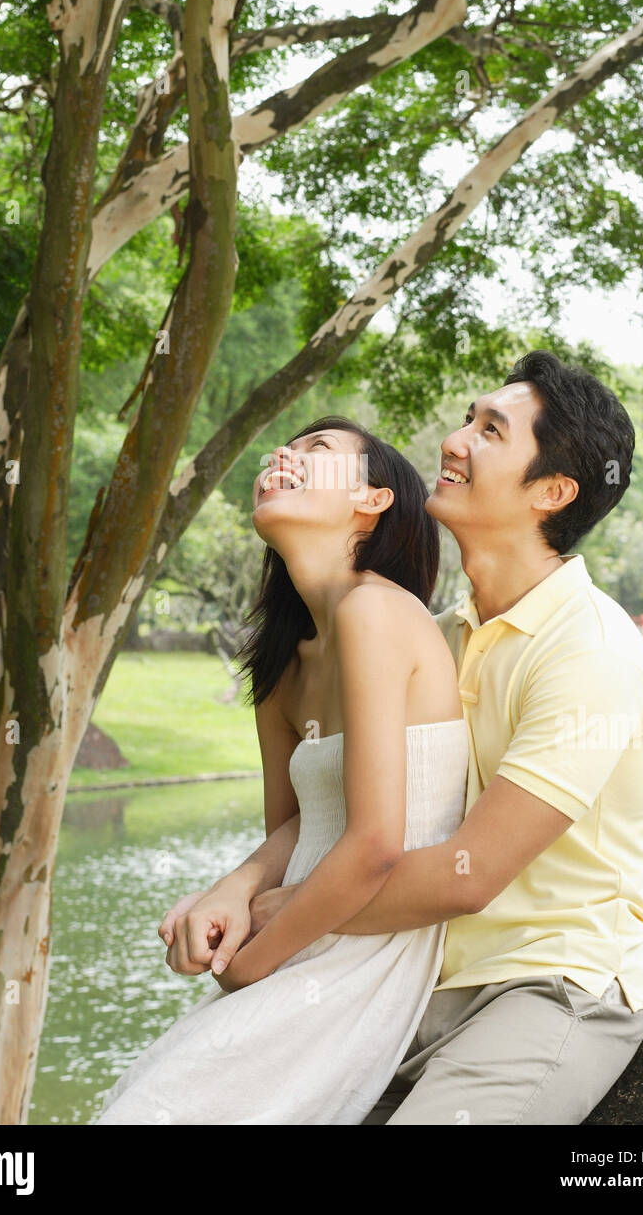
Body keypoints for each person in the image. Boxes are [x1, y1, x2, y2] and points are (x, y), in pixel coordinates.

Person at [163, 351, 643, 1126]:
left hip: (546, 984)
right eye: (469, 419)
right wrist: (237, 885)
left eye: (491, 430)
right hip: (410, 977)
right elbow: (333, 803)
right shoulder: (436, 637)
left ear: (554, 491)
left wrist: (291, 910)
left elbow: (470, 876)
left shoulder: (588, 651)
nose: (456, 441)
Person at [95, 418, 469, 1125]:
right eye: (285, 449)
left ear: (372, 500)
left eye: (315, 451)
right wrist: (227, 894)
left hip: (360, 959)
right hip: (305, 940)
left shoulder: (376, 613)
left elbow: (376, 843)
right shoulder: (280, 662)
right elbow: (296, 832)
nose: (283, 458)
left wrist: (249, 963)